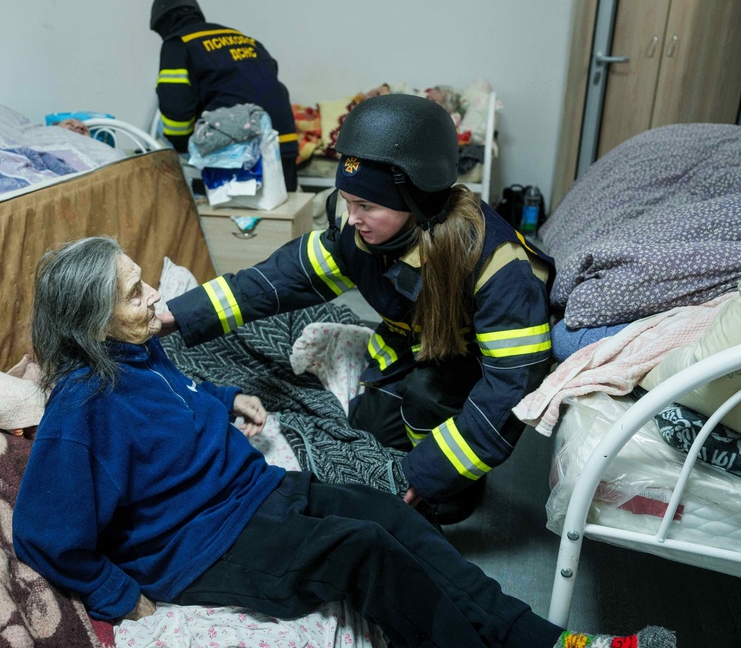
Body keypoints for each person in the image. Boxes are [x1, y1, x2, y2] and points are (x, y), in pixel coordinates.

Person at [11, 236, 674, 648]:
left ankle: (544, 639)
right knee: (364, 551)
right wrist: (117, 594)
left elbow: (171, 397)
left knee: (394, 515)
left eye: (141, 278)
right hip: (201, 545)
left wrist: (222, 398)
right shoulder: (82, 406)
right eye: (134, 293)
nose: (153, 295)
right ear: (91, 325)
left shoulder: (140, 351)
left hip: (253, 490)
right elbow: (42, 532)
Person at [159, 93, 555, 525]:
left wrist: (427, 477)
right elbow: (279, 279)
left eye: (366, 206)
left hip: (468, 369)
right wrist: (179, 314)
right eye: (347, 201)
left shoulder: (499, 268)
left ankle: (456, 490)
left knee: (431, 431)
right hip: (404, 347)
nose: (352, 218)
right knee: (368, 434)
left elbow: (510, 390)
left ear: (418, 201)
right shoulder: (359, 229)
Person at [149, 0, 300, 191]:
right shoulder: (243, 38)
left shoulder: (178, 43)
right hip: (284, 143)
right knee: (282, 217)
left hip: (241, 151)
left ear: (164, 24)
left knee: (223, 219)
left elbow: (176, 106)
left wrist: (184, 146)